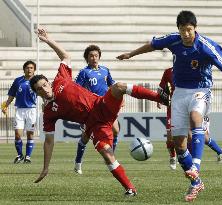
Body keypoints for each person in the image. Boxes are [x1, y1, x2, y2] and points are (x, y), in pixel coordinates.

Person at [117, 10, 222, 202]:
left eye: (189, 30)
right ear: (178, 29)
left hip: (200, 90)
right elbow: (152, 45)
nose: (186, 34)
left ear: (195, 29)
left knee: (196, 118)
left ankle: (195, 166)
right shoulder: (173, 40)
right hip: (179, 93)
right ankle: (196, 183)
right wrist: (131, 54)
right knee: (178, 144)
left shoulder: (206, 47)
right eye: (183, 30)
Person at [31, 28, 169, 196]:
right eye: (39, 89)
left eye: (45, 85)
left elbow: (66, 56)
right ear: (37, 93)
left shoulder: (60, 79)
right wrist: (46, 167)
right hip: (95, 124)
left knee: (119, 87)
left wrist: (48, 40)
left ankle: (159, 98)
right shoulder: (48, 113)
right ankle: (130, 189)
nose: (44, 89)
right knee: (106, 153)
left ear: (48, 82)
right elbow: (49, 142)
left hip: (101, 105)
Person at [157, 68, 222, 168]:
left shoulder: (192, 69)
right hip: (174, 108)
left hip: (193, 105)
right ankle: (174, 158)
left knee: (202, 137)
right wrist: (159, 100)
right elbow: (162, 88)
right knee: (170, 137)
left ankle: (219, 152)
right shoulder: (168, 72)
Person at [74, 44, 120, 175]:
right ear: (87, 58)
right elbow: (76, 90)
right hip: (92, 109)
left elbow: (112, 86)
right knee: (86, 137)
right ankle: (78, 162)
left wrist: (118, 100)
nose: (94, 58)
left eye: (96, 55)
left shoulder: (105, 70)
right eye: (91, 56)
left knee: (116, 130)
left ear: (99, 57)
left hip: (107, 106)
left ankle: (111, 157)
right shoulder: (84, 72)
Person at [1, 60, 37, 164]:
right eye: (27, 68)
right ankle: (20, 155)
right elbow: (11, 95)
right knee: (17, 135)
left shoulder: (37, 81)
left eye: (31, 68)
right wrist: (6, 106)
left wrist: (45, 104)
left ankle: (28, 157)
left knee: (30, 134)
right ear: (24, 69)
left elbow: (44, 94)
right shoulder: (18, 81)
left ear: (34, 70)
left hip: (31, 110)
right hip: (19, 110)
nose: (29, 69)